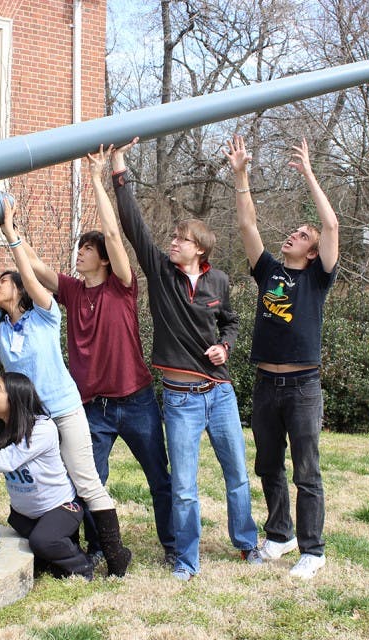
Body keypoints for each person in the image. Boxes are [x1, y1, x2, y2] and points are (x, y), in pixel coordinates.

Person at [110, 139, 261, 582]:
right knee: (184, 489)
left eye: (181, 239)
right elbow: (134, 226)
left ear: (201, 249)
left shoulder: (219, 281)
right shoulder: (161, 274)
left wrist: (226, 346)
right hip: (179, 401)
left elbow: (231, 323)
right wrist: (120, 168)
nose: (172, 243)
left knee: (236, 476)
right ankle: (186, 560)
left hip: (220, 394)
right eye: (173, 238)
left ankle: (246, 544)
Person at [23, 145, 174, 567]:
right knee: (88, 480)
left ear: (104, 259)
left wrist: (95, 178)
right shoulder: (72, 291)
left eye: (86, 250)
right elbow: (33, 266)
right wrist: (9, 226)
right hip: (92, 407)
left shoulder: (121, 286)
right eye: (80, 250)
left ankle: (172, 546)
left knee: (159, 479)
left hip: (137, 400)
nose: (80, 254)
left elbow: (113, 234)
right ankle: (95, 548)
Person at [0, 198, 132, 576]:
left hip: (64, 410)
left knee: (85, 481)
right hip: (32, 419)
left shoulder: (45, 315)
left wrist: (11, 234)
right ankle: (64, 549)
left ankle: (116, 555)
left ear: (20, 293)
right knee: (51, 485)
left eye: (2, 282)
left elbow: (33, 278)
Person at [224, 135, 338, 580]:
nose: (295, 235)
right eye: (296, 231)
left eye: (302, 235)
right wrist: (241, 175)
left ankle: (313, 549)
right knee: (268, 464)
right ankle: (279, 535)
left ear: (312, 253)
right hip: (266, 385)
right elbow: (248, 227)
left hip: (303, 386)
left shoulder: (319, 278)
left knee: (306, 471)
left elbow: (331, 227)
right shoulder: (269, 270)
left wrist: (309, 173)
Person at [0, 362, 93, 580]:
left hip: (60, 508)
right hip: (24, 516)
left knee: (42, 542)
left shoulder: (42, 428)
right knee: (37, 551)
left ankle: (82, 565)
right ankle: (57, 548)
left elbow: (8, 459)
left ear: (14, 399)